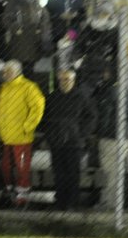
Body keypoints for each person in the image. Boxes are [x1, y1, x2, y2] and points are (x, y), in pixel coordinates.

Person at [39, 68, 96, 210]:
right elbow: (44, 118)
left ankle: (72, 202)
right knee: (58, 172)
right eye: (62, 79)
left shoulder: (81, 97)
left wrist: (81, 133)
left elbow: (91, 117)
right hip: (56, 140)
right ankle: (60, 201)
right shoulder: (52, 97)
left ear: (73, 81)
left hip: (74, 142)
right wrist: (49, 133)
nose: (64, 82)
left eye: (67, 79)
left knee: (72, 172)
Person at [0, 59, 45, 208]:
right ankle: (10, 191)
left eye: (8, 71)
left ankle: (22, 196)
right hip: (6, 136)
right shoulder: (3, 88)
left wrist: (27, 126)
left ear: (16, 72)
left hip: (22, 137)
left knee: (22, 167)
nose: (5, 74)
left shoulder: (29, 87)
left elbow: (37, 107)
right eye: (4, 71)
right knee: (5, 167)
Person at [3, 0, 46, 73]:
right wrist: (15, 28)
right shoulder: (13, 3)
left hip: (33, 39)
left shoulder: (37, 2)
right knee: (18, 68)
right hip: (19, 40)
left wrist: (40, 28)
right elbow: (6, 19)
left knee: (30, 68)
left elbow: (44, 17)